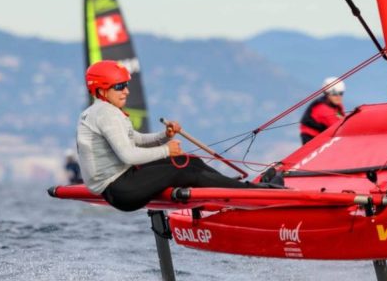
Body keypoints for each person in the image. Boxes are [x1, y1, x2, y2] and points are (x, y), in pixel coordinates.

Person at [77, 60, 256, 212]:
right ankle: (249, 193)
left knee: (189, 161)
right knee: (187, 170)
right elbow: (129, 155)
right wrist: (166, 150)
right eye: (119, 86)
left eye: (126, 85)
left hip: (121, 182)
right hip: (120, 190)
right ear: (101, 91)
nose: (126, 91)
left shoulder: (100, 111)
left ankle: (227, 188)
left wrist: (164, 136)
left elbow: (136, 140)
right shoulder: (106, 114)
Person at [299, 76, 346, 145]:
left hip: (323, 138)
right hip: (312, 140)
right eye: (334, 94)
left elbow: (343, 119)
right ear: (327, 94)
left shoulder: (337, 106)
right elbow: (339, 127)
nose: (338, 96)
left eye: (341, 93)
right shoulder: (322, 108)